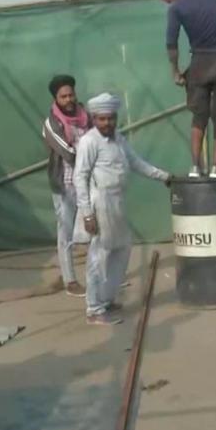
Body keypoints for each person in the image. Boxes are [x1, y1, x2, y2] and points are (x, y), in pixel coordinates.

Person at [73, 92, 170, 325]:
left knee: (122, 249)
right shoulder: (89, 141)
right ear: (94, 119)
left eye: (111, 118)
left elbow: (135, 162)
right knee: (99, 254)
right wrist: (87, 214)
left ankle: (106, 299)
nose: (107, 123)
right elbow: (80, 177)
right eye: (102, 119)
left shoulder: (118, 138)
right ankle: (94, 309)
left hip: (117, 201)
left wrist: (164, 176)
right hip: (100, 202)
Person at [158, 0, 216, 178]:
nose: (170, 2)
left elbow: (172, 44)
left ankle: (196, 167)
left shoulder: (176, 8)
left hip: (201, 60)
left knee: (199, 115)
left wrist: (176, 71)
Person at [42, 74, 91, 297]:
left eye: (71, 94)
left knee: (93, 229)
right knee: (66, 233)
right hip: (65, 185)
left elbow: (95, 140)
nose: (69, 99)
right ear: (56, 98)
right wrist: (90, 157)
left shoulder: (85, 115)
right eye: (64, 96)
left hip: (88, 183)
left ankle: (97, 276)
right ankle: (70, 281)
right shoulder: (51, 123)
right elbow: (67, 152)